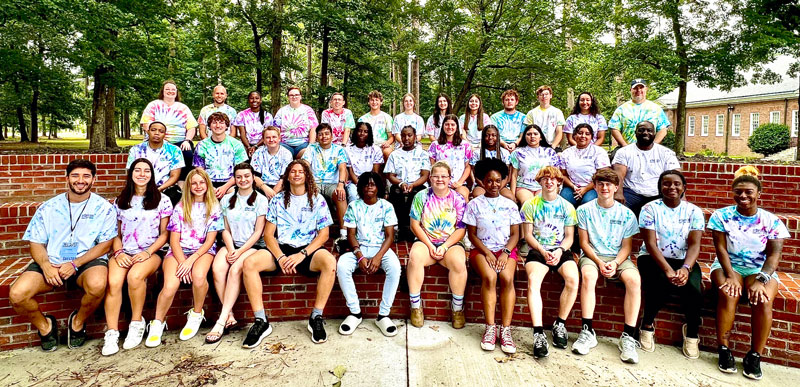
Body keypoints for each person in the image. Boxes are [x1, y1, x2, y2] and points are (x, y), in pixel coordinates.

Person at [10, 159, 117, 352]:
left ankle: (77, 322)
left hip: (87, 261)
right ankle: (46, 327)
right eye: (75, 175)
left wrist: (75, 263)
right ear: (67, 178)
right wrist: (45, 265)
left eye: (86, 176)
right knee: (17, 294)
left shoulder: (104, 208)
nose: (80, 180)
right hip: (51, 261)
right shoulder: (49, 207)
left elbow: (105, 244)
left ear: (94, 179)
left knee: (98, 285)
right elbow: (35, 242)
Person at [242, 160, 338, 345]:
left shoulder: (317, 199)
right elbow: (269, 235)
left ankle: (316, 317)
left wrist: (302, 254)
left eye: (300, 171)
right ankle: (261, 321)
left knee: (330, 263)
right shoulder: (278, 199)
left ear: (306, 175)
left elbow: (324, 234)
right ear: (287, 175)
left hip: (308, 249)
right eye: (292, 171)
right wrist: (281, 257)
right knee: (249, 264)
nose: (296, 174)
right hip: (282, 249)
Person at [709, 166, 790, 380]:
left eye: (748, 192)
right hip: (728, 265)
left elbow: (774, 256)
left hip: (759, 268)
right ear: (733, 192)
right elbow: (721, 249)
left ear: (758, 194)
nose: (743, 196)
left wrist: (762, 280)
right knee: (729, 293)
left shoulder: (771, 221)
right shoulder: (721, 216)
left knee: (763, 299)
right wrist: (730, 275)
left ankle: (754, 355)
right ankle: (724, 350)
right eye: (738, 191)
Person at [145, 169, 224, 347]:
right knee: (171, 284)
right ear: (188, 186)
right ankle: (158, 322)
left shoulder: (214, 207)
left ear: (207, 185)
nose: (198, 186)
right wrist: (182, 262)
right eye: (194, 183)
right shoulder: (180, 207)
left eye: (202, 182)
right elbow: (174, 240)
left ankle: (196, 314)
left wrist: (191, 261)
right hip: (178, 251)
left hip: (202, 251)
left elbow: (210, 240)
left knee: (198, 276)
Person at [102, 158, 172, 356]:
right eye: (138, 170)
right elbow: (114, 233)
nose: (142, 174)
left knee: (134, 277)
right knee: (114, 282)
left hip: (151, 251)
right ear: (131, 174)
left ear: (152, 174)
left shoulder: (162, 199)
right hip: (124, 250)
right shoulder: (120, 200)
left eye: (146, 171)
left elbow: (165, 234)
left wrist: (148, 252)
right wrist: (119, 252)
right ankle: (112, 332)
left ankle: (136, 322)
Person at [572, 169, 641, 364]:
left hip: (618, 257)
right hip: (593, 255)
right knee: (588, 276)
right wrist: (600, 262)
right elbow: (584, 243)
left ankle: (627, 336)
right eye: (600, 183)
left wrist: (615, 263)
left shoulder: (627, 214)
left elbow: (627, 247)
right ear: (594, 186)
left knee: (634, 281)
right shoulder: (584, 210)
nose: (604, 187)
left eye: (609, 184)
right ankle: (587, 331)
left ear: (616, 187)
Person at [637, 170, 705, 359]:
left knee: (694, 289)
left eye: (676, 184)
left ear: (684, 188)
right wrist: (667, 270)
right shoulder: (650, 209)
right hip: (652, 257)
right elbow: (650, 243)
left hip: (684, 260)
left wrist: (685, 268)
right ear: (660, 187)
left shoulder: (694, 211)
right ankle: (647, 325)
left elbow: (694, 244)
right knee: (659, 282)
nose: (671, 187)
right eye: (666, 184)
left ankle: (691, 333)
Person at [206, 163, 270, 344]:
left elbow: (258, 232)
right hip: (231, 244)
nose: (243, 180)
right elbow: (224, 228)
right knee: (218, 268)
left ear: (253, 178)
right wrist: (231, 248)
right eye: (239, 177)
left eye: (247, 176)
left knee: (235, 270)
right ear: (235, 179)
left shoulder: (261, 200)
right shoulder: (226, 200)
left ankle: (220, 321)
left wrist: (240, 251)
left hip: (253, 246)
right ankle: (230, 315)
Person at [520, 167, 579, 359]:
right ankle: (538, 333)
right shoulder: (530, 204)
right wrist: (543, 251)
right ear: (540, 182)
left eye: (553, 179)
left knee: (573, 279)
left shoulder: (567, 207)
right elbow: (527, 235)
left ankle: (560, 324)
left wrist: (560, 250)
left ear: (559, 182)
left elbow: (569, 237)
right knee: (533, 281)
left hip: (560, 250)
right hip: (538, 250)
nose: (549, 182)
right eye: (545, 179)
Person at [465, 158, 521, 354]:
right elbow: (472, 234)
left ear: (503, 181)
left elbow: (516, 234)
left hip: (506, 249)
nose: (494, 185)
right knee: (490, 277)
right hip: (482, 249)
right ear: (482, 181)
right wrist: (488, 253)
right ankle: (490, 328)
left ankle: (505, 330)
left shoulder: (510, 205)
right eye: (489, 181)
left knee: (506, 278)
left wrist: (505, 252)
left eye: (498, 180)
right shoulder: (474, 204)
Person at [336, 172, 401, 337]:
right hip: (360, 247)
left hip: (381, 247)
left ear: (378, 187)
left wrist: (378, 257)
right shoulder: (354, 206)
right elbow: (351, 235)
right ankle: (355, 313)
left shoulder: (386, 206)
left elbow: (390, 236)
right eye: (366, 184)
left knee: (394, 267)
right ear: (360, 187)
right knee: (342, 266)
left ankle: (383, 315)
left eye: (373, 184)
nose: (369, 187)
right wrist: (360, 256)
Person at [407, 162, 468, 329]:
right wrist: (430, 245)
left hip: (450, 242)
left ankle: (457, 309)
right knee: (415, 257)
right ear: (430, 178)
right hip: (426, 241)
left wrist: (445, 246)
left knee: (458, 262)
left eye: (443, 176)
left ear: (449, 178)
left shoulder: (458, 199)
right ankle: (415, 306)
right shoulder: (421, 196)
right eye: (436, 176)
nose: (439, 179)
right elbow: (414, 225)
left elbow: (461, 229)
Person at [612, 121, 681, 216]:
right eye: (641, 130)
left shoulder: (665, 153)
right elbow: (618, 175)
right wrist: (618, 193)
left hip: (658, 193)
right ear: (635, 133)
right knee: (617, 210)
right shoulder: (624, 152)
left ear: (654, 133)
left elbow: (676, 176)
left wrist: (681, 197)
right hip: (632, 192)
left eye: (649, 130)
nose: (645, 133)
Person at [140, 80, 198, 182]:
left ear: (176, 92)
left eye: (173, 89)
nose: (170, 91)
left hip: (179, 141)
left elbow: (192, 127)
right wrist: (158, 137)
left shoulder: (183, 108)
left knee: (188, 153)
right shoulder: (153, 105)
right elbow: (146, 125)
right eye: (167, 89)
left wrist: (187, 140)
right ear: (162, 91)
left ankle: (182, 182)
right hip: (157, 140)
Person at [301, 123, 350, 244]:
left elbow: (342, 168)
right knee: (308, 196)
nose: (324, 136)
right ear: (317, 137)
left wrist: (340, 185)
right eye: (321, 134)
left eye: (327, 134)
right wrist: (308, 183)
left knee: (340, 195)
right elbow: (305, 165)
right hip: (315, 183)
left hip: (332, 183)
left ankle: (343, 234)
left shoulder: (339, 150)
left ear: (332, 136)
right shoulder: (311, 148)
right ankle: (309, 232)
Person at [385, 126, 431, 242]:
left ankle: (415, 230)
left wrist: (413, 185)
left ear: (415, 137)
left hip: (417, 185)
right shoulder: (395, 154)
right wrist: (401, 184)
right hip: (400, 184)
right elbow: (390, 175)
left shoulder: (422, 154)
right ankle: (397, 229)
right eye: (403, 135)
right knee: (395, 192)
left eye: (409, 135)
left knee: (417, 194)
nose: (406, 138)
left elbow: (425, 175)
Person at [126, 121, 185, 204]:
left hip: (165, 188)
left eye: (161, 131)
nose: (157, 133)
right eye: (153, 130)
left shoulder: (174, 150)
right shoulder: (136, 150)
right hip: (141, 187)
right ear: (148, 132)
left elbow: (174, 176)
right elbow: (131, 173)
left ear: (165, 134)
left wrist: (159, 189)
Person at [193, 112, 248, 199]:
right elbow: (200, 171)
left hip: (231, 183)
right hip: (207, 182)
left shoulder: (236, 144)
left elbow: (240, 171)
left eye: (221, 123)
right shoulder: (202, 145)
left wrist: (224, 188)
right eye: (214, 123)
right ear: (209, 126)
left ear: (227, 126)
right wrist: (210, 187)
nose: (218, 126)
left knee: (235, 195)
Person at [559, 123, 611, 207]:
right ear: (574, 135)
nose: (583, 136)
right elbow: (563, 174)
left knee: (587, 203)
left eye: (587, 134)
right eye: (580, 133)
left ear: (591, 137)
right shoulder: (567, 153)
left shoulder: (598, 152)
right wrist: (574, 187)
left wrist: (585, 189)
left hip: (593, 186)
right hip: (572, 187)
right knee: (564, 202)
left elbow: (603, 175)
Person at [509, 124, 563, 204]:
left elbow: (556, 174)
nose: (532, 136)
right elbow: (513, 175)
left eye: (535, 134)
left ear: (541, 137)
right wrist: (512, 196)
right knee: (528, 203)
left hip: (545, 186)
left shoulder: (550, 152)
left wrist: (556, 190)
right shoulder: (517, 153)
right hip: (523, 187)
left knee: (542, 203)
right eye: (529, 134)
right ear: (524, 137)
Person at [608, 79, 671, 146]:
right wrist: (624, 146)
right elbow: (614, 129)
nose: (638, 90)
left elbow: (663, 130)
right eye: (635, 88)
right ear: (630, 90)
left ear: (646, 89)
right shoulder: (621, 109)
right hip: (627, 150)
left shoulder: (656, 109)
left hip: (649, 151)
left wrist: (653, 146)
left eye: (641, 88)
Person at [428, 114, 473, 201]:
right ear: (443, 126)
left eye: (452, 125)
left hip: (459, 183)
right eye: (447, 124)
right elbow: (432, 167)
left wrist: (459, 182)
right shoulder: (435, 145)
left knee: (462, 195)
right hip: (440, 182)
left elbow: (467, 167)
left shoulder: (465, 145)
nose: (449, 127)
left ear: (457, 127)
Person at [274, 87, 319, 158]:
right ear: (288, 97)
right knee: (282, 154)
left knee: (307, 154)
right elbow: (276, 130)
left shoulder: (308, 110)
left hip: (303, 143)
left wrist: (311, 145)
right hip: (285, 144)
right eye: (291, 95)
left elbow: (313, 129)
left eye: (296, 95)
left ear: (300, 96)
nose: (294, 97)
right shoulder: (282, 111)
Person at [470, 125, 512, 200]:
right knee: (478, 195)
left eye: (493, 135)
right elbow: (475, 174)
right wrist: (486, 187)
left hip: (500, 185)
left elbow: (507, 175)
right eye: (487, 135)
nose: (490, 138)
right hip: (482, 185)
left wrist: (498, 187)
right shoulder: (477, 153)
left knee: (510, 197)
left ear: (498, 137)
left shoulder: (504, 153)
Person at [250, 126, 292, 199]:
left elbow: (284, 178)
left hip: (280, 187)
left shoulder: (286, 154)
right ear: (264, 140)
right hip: (261, 185)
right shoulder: (258, 153)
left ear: (279, 139)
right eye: (268, 137)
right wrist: (265, 188)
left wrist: (273, 194)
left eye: (274, 137)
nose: (271, 140)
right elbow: (254, 176)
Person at [345, 122, 383, 202]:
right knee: (354, 196)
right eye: (360, 131)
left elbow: (375, 172)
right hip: (354, 182)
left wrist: (368, 184)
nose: (362, 133)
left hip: (371, 181)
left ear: (369, 134)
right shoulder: (348, 150)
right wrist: (360, 185)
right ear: (355, 132)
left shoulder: (375, 150)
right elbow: (351, 172)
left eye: (366, 132)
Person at [232, 91, 274, 157]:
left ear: (260, 100)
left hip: (262, 144)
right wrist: (248, 147)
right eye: (252, 98)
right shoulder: (241, 114)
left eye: (257, 98)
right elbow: (242, 134)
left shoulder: (267, 116)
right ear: (248, 100)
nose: (254, 100)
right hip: (245, 145)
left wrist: (256, 146)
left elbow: (267, 134)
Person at [358, 90, 394, 160]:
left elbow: (391, 137)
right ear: (368, 102)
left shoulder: (387, 118)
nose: (374, 102)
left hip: (382, 146)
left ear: (381, 102)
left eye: (377, 100)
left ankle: (388, 171)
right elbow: (358, 136)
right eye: (372, 100)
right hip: (367, 145)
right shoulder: (362, 119)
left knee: (388, 152)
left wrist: (387, 143)